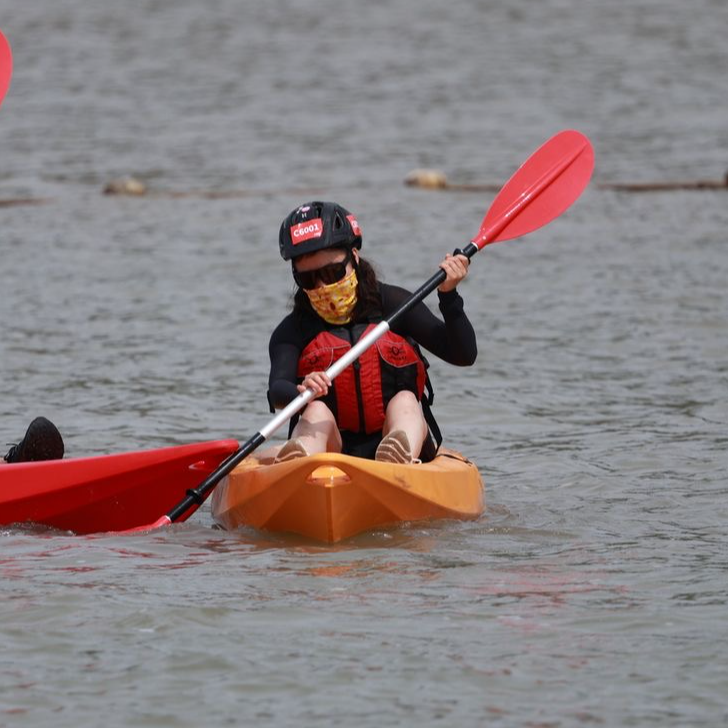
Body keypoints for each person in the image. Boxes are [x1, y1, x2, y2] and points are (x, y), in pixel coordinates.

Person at [266, 201, 477, 465]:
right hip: (332, 450)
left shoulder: (395, 305)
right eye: (308, 279)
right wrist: (301, 390)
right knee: (316, 409)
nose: (322, 286)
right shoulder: (293, 329)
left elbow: (463, 354)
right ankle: (303, 459)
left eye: (332, 272)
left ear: (354, 256)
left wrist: (449, 297)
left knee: (405, 400)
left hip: (400, 439)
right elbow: (277, 390)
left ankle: (397, 457)